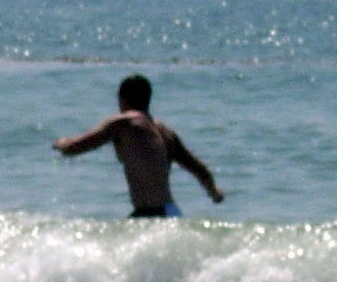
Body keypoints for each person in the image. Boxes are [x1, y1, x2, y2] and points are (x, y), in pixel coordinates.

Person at [53, 74, 225, 217]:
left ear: (122, 99)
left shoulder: (125, 122)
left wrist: (60, 143)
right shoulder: (165, 132)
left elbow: (73, 147)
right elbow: (199, 169)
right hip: (170, 213)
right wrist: (214, 193)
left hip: (153, 215)